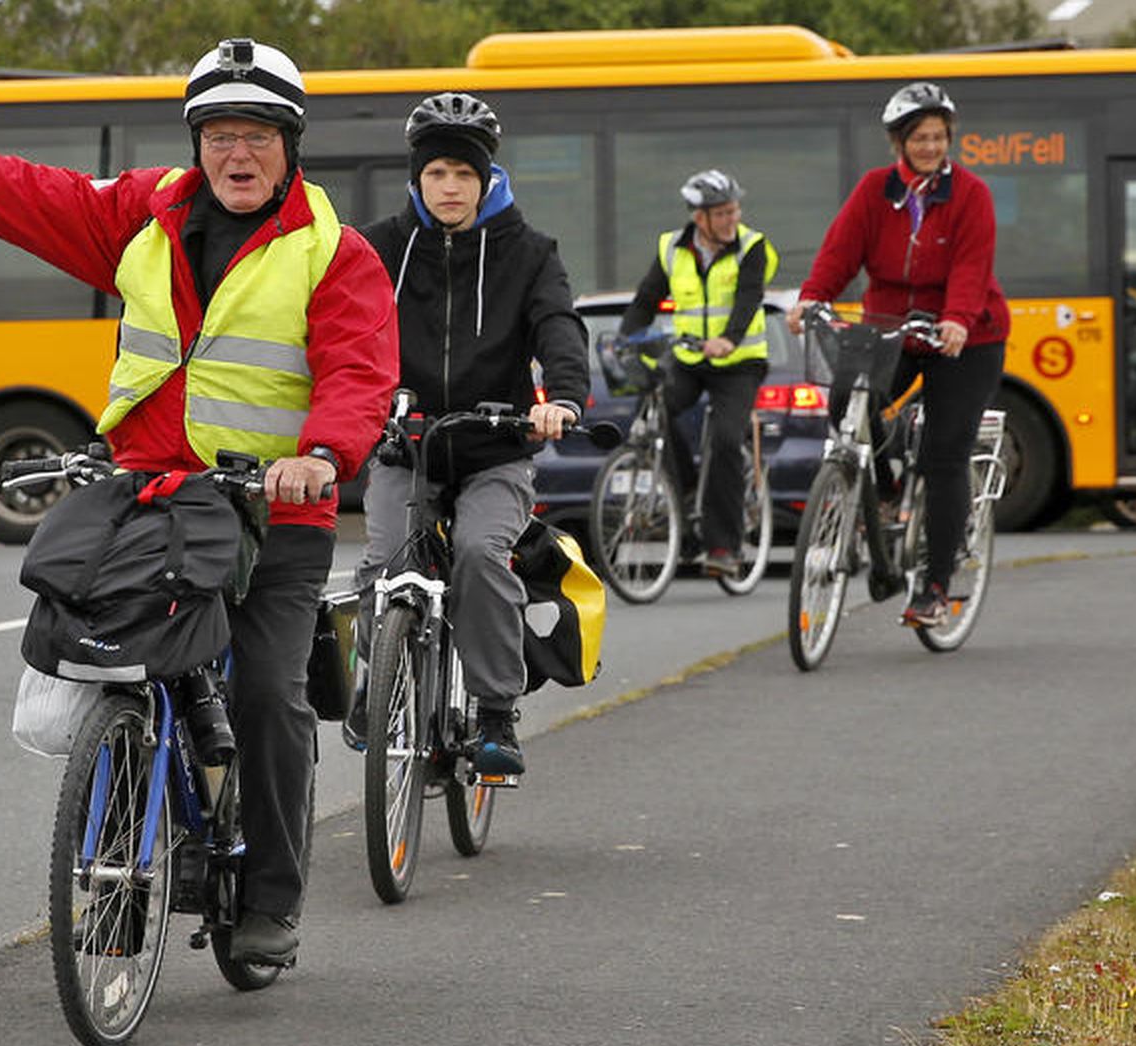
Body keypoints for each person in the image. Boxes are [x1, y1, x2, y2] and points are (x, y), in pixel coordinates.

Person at [0, 39, 399, 966]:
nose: (237, 154)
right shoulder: (146, 214)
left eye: (257, 134)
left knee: (265, 692)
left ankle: (271, 898)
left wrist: (322, 454)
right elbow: (26, 195)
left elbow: (357, 372)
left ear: (290, 143)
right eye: (219, 134)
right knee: (108, 665)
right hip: (154, 498)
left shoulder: (334, 255)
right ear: (197, 143)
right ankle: (120, 865)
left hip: (272, 512)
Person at [351, 91, 589, 777]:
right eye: (436, 173)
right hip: (406, 445)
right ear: (416, 178)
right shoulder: (376, 247)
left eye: (463, 172)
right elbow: (337, 328)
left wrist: (563, 397)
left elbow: (558, 326)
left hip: (495, 450)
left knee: (484, 556)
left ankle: (493, 710)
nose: (450, 187)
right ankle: (379, 675)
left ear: (485, 177)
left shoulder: (530, 251)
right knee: (388, 560)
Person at [787, 81, 1009, 628]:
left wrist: (957, 318)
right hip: (891, 327)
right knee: (845, 398)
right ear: (899, 143)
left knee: (943, 456)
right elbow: (840, 252)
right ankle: (883, 491)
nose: (931, 146)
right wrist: (812, 297)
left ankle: (934, 587)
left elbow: (972, 266)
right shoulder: (873, 191)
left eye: (939, 137)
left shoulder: (971, 195)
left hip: (966, 336)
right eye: (920, 138)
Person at [618, 168, 778, 580]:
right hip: (690, 359)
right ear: (699, 217)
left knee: (725, 440)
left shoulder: (752, 247)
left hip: (739, 362)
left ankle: (723, 545)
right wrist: (624, 340)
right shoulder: (672, 248)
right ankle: (685, 493)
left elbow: (748, 298)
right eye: (722, 214)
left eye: (734, 211)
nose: (731, 220)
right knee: (655, 410)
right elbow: (645, 299)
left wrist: (728, 338)